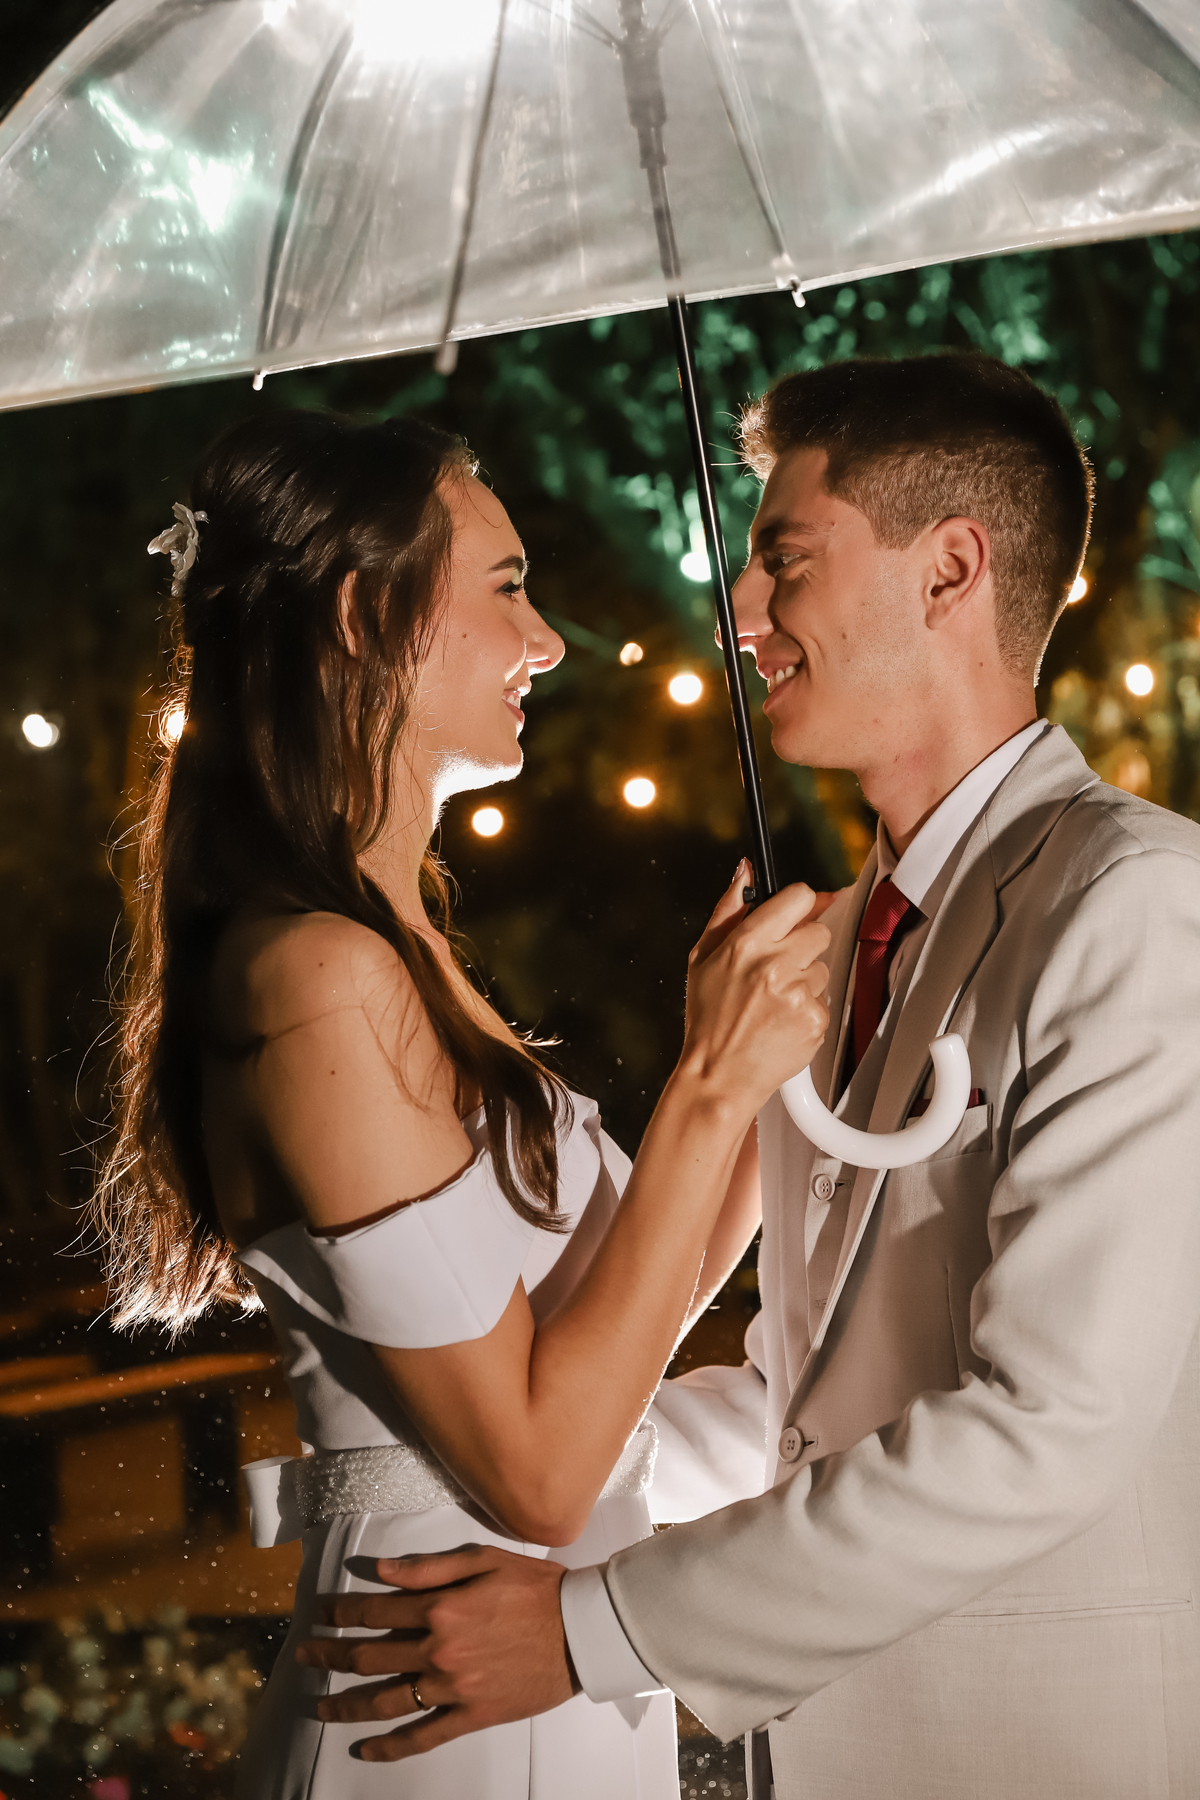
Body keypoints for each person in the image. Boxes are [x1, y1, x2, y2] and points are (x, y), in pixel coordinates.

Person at [294, 352, 1200, 1799]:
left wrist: (587, 1634)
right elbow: (812, 1393)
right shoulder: (833, 946)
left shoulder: (1134, 899)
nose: (744, 612)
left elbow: (1053, 1421)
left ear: (950, 570)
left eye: (786, 561)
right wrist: (510, 1478)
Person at [90, 408, 831, 1798]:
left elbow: (621, 1321)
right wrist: (706, 1084)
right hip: (429, 1713)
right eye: (507, 589)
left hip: (532, 1670)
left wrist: (768, 1059)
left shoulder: (400, 947)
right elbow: (537, 1475)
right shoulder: (316, 976)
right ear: (366, 614)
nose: (545, 642)